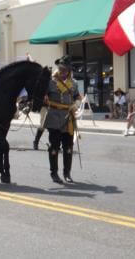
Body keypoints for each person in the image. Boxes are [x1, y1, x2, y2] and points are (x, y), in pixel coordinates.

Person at [44, 55, 82, 184]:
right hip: (54, 116)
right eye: (60, 68)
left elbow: (78, 97)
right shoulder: (50, 81)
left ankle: (67, 173)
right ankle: (54, 173)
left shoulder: (74, 83)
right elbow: (42, 96)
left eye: (65, 69)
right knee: (54, 147)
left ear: (69, 70)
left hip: (68, 118)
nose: (62, 71)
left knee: (68, 147)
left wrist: (76, 105)